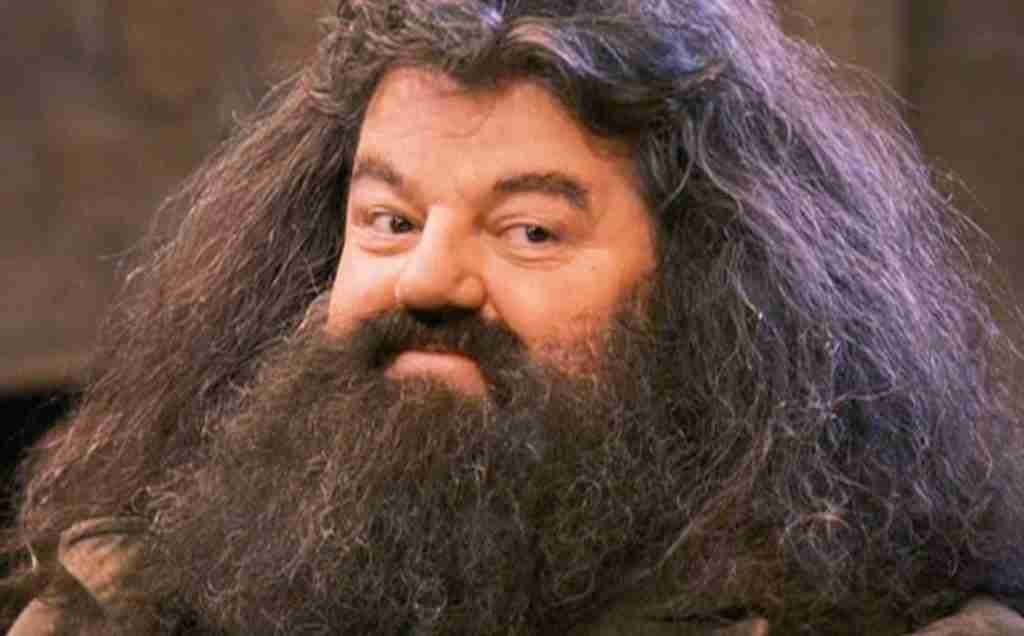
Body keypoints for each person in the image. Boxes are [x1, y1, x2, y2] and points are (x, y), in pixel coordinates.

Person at [4, 1, 1024, 634]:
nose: (427, 281)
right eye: (390, 221)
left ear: (713, 297)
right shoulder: (120, 609)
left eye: (530, 231)